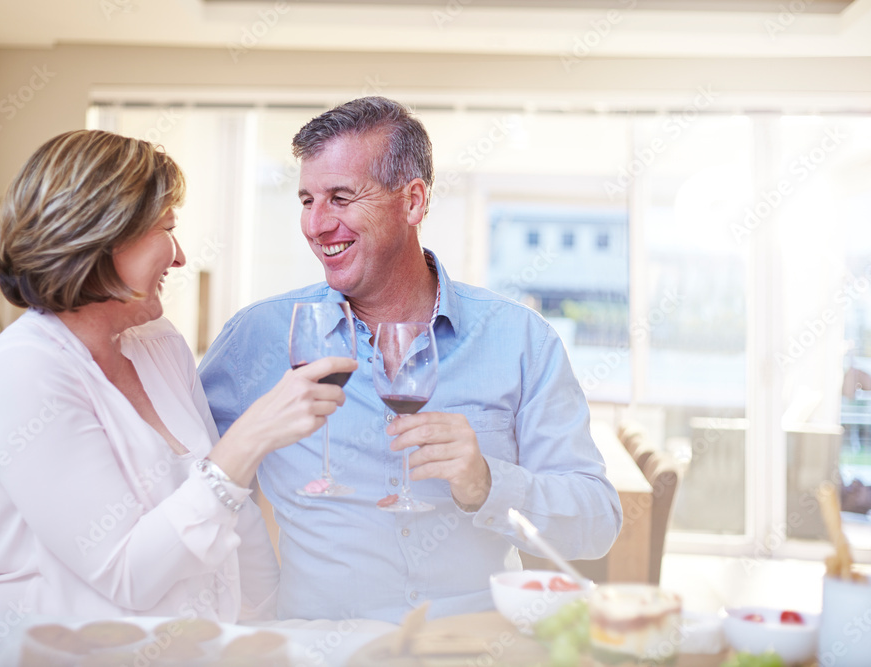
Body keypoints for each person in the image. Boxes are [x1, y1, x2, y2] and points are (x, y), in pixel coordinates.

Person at [199, 97, 622, 624]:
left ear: (414, 202)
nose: (316, 224)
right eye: (307, 200)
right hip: (319, 651)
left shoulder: (520, 339)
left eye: (341, 197)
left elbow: (597, 525)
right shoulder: (257, 337)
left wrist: (487, 484)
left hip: (474, 648)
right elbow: (193, 489)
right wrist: (254, 607)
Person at [0, 129, 355, 620]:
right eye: (166, 229)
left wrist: (277, 625)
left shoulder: (158, 342)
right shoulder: (23, 371)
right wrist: (249, 438)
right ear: (101, 237)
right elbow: (127, 574)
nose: (181, 255)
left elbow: (234, 519)